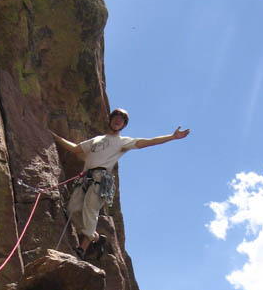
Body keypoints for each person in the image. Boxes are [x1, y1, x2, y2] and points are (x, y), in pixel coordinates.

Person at [52, 108, 189, 258]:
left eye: (122, 120)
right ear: (110, 119)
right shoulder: (97, 140)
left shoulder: (122, 142)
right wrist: (55, 138)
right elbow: (76, 149)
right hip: (86, 177)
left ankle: (82, 249)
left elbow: (146, 142)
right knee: (72, 209)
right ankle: (96, 238)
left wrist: (172, 136)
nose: (118, 121)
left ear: (124, 125)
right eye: (116, 117)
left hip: (100, 178)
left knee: (90, 209)